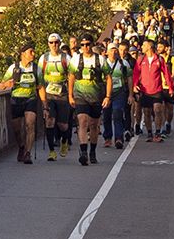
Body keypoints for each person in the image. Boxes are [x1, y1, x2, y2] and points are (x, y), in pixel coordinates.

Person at [0, 41, 41, 164]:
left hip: (31, 99)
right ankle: (21, 147)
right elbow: (1, 86)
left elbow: (40, 87)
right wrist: (7, 84)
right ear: (23, 54)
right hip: (16, 100)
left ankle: (28, 153)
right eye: (31, 52)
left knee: (30, 124)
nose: (33, 54)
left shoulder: (36, 68)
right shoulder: (13, 68)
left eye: (33, 51)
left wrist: (45, 104)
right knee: (17, 129)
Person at [69, 34, 104, 167]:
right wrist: (70, 95)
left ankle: (92, 151)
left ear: (92, 44)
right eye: (82, 45)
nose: (85, 47)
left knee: (94, 125)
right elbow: (71, 77)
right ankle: (83, 152)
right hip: (80, 95)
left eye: (88, 44)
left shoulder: (100, 59)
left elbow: (108, 78)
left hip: (96, 96)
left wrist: (107, 96)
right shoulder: (76, 59)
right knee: (82, 121)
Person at [37, 33, 72, 161]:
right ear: (48, 44)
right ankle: (52, 151)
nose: (54, 45)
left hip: (62, 94)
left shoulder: (66, 58)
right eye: (51, 42)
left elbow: (72, 75)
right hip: (49, 94)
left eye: (56, 42)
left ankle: (64, 141)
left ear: (60, 43)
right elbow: (39, 75)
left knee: (63, 125)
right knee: (49, 121)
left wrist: (72, 93)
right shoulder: (44, 58)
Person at [132, 39, 171, 143]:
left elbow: (166, 73)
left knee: (158, 110)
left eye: (144, 45)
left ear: (149, 47)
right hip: (145, 91)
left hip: (157, 90)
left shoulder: (159, 59)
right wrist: (135, 85)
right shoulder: (141, 59)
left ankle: (157, 132)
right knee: (147, 112)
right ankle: (149, 133)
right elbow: (136, 73)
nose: (142, 47)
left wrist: (170, 87)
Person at [102, 40, 133, 149]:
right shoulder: (103, 63)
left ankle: (119, 138)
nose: (114, 52)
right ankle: (107, 138)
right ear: (107, 52)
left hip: (119, 92)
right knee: (106, 115)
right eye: (111, 50)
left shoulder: (123, 63)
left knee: (117, 114)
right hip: (105, 93)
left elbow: (129, 78)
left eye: (116, 50)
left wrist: (130, 94)